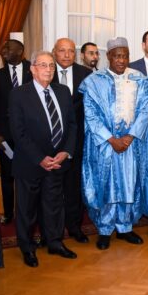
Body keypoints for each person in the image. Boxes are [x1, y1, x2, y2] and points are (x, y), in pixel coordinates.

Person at [80, 37, 148, 250]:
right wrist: (111, 139)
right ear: (108, 57)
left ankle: (125, 227)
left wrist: (130, 137)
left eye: (125, 56)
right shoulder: (94, 81)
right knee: (107, 186)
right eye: (117, 56)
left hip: (130, 145)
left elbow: (145, 111)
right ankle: (105, 229)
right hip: (105, 145)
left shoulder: (140, 80)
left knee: (128, 185)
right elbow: (91, 115)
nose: (121, 60)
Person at [9, 51, 78, 267]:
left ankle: (54, 242)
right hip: (30, 163)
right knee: (27, 209)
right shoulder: (19, 94)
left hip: (57, 162)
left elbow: (72, 125)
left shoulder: (63, 91)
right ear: (32, 69)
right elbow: (18, 132)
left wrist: (66, 152)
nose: (48, 70)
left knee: (54, 205)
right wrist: (40, 158)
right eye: (43, 65)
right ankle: (27, 248)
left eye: (51, 66)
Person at [52, 37, 92, 243]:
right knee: (51, 190)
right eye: (62, 50)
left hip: (77, 140)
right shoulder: (46, 72)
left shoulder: (86, 74)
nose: (67, 55)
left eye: (70, 51)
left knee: (74, 187)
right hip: (51, 141)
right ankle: (52, 231)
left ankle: (75, 226)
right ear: (54, 52)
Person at [0, 39, 31, 225]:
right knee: (7, 177)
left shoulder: (34, 70)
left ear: (20, 51)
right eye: (4, 47)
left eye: (8, 47)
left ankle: (29, 213)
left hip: (31, 135)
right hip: (6, 136)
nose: (3, 50)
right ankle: (8, 213)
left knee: (30, 176)